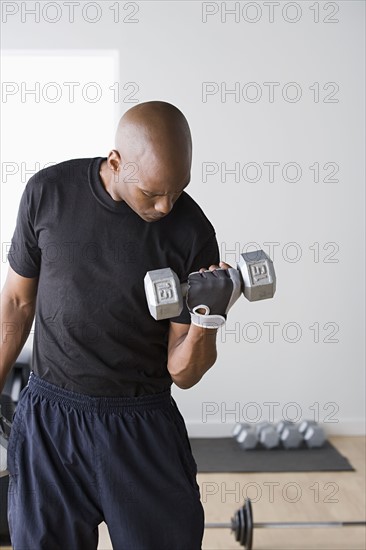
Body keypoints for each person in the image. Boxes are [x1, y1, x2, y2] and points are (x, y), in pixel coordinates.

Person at [0, 101, 240, 549]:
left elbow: (182, 372)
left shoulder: (192, 232)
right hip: (52, 420)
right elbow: (15, 303)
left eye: (179, 189)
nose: (167, 205)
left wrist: (209, 317)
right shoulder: (48, 193)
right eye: (152, 193)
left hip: (141, 424)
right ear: (116, 162)